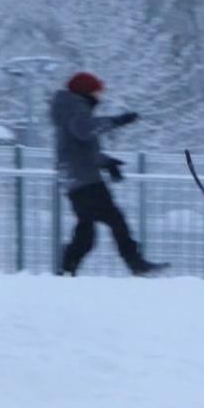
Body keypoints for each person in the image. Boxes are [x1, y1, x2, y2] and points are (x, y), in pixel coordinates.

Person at [50, 71, 166, 276]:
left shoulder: (69, 108)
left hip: (74, 178)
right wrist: (117, 121)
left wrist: (106, 162)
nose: (100, 96)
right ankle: (135, 263)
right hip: (85, 180)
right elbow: (83, 130)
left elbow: (79, 148)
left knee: (86, 230)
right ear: (87, 92)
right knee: (115, 219)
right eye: (98, 92)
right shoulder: (77, 107)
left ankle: (67, 265)